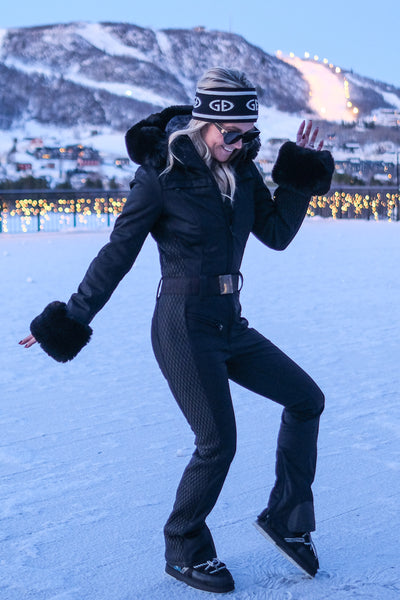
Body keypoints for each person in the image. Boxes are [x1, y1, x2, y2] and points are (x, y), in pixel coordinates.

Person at [20, 67, 334, 594]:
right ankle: (184, 545)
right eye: (229, 133)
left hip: (230, 321)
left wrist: (299, 178)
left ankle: (287, 518)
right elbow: (118, 252)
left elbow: (277, 234)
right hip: (182, 326)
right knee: (218, 442)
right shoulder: (161, 174)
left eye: (247, 135)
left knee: (306, 399)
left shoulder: (243, 172)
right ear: (203, 122)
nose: (237, 144)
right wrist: (72, 317)